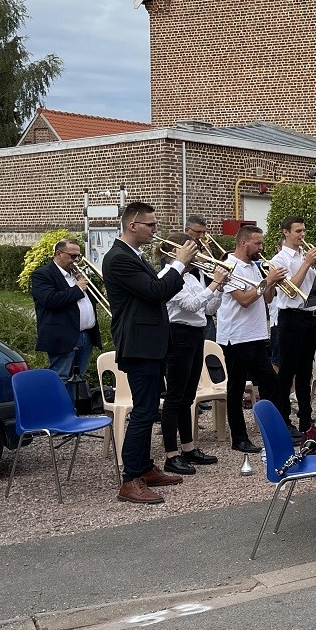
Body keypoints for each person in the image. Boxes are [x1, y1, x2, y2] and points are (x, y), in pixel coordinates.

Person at [101, 202, 197, 504]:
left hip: (151, 344)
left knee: (148, 409)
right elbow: (156, 292)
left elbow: (155, 291)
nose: (155, 230)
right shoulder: (118, 258)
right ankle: (130, 480)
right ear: (133, 225)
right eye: (151, 225)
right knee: (142, 413)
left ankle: (144, 468)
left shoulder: (133, 255)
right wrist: (179, 264)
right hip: (139, 345)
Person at [159, 231, 229, 475]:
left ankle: (188, 448)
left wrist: (219, 288)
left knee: (188, 396)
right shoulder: (168, 276)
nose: (197, 256)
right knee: (175, 397)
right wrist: (213, 283)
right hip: (177, 335)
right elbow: (190, 305)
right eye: (193, 251)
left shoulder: (191, 277)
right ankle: (171, 455)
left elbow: (207, 307)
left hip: (195, 335)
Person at [217, 225, 287, 454]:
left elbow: (265, 299)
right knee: (236, 388)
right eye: (257, 243)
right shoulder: (228, 266)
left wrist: (272, 283)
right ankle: (239, 437)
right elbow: (245, 300)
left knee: (270, 382)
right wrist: (267, 280)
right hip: (235, 337)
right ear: (243, 243)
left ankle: (275, 429)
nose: (261, 248)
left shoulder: (254, 267)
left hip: (256, 335)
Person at [271, 217, 316, 439]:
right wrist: (306, 263)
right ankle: (284, 419)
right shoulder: (279, 259)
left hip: (309, 316)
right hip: (290, 317)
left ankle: (306, 419)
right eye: (297, 231)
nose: (302, 235)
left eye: (303, 230)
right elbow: (291, 290)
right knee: (287, 371)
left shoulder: (305, 259)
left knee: (306, 370)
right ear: (285, 232)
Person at [31, 238, 101, 380]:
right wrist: (77, 288)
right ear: (59, 254)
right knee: (61, 377)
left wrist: (85, 282)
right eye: (72, 256)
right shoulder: (43, 274)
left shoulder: (76, 275)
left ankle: (74, 403)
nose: (76, 260)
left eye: (79, 256)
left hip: (86, 335)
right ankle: (60, 403)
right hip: (62, 335)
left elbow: (95, 297)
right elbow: (50, 300)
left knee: (79, 378)